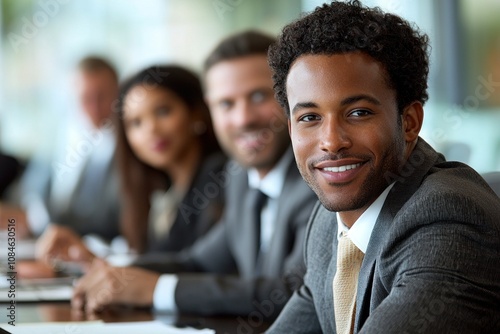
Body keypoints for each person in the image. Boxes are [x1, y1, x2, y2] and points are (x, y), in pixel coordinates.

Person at [266, 1, 500, 333]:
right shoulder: (327, 223)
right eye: (310, 118)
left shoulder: (448, 219)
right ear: (291, 129)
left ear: (409, 122)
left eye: (358, 112)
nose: (331, 142)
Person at [71, 31, 318, 321]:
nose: (243, 118)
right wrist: (110, 274)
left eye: (259, 96)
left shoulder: (315, 182)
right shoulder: (240, 178)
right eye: (226, 104)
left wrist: (158, 289)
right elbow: (199, 262)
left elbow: (295, 293)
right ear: (210, 108)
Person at [0, 56, 121, 261]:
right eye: (85, 98)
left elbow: (108, 220)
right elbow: (31, 189)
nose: (94, 107)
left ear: (118, 93)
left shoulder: (127, 147)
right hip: (45, 247)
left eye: (102, 96)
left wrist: (35, 218)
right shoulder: (62, 136)